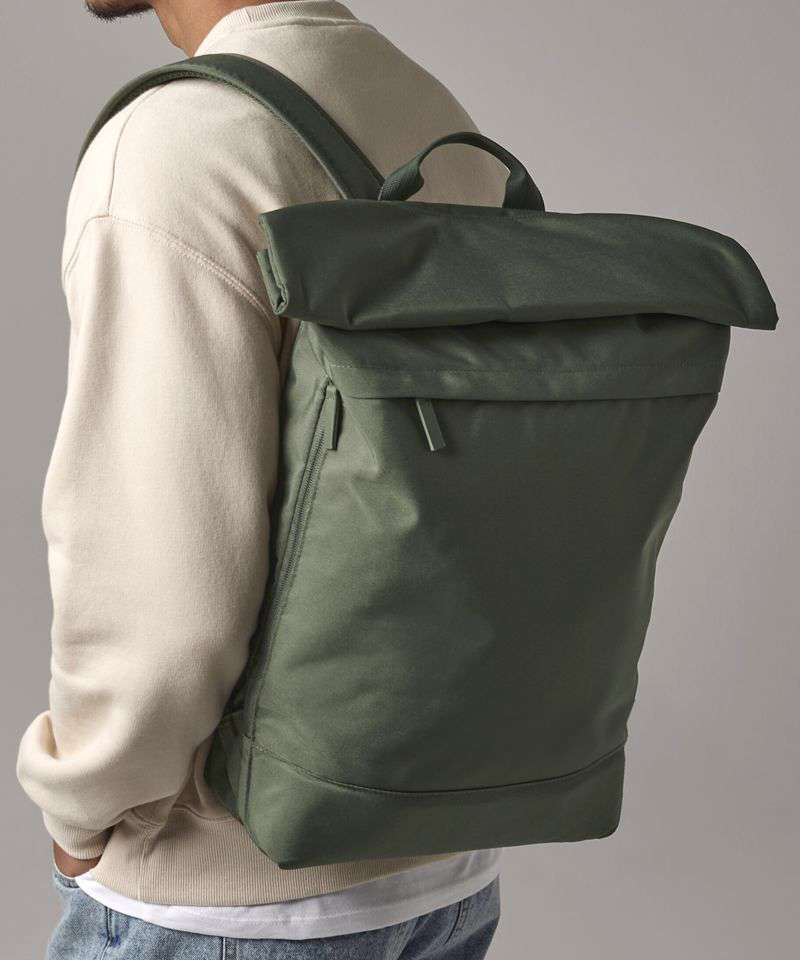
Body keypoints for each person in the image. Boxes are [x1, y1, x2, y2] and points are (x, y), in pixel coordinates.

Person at [17, 2, 508, 957]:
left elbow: (162, 587)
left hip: (229, 897)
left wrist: (83, 808)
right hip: (441, 864)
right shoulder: (423, 107)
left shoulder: (182, 141)